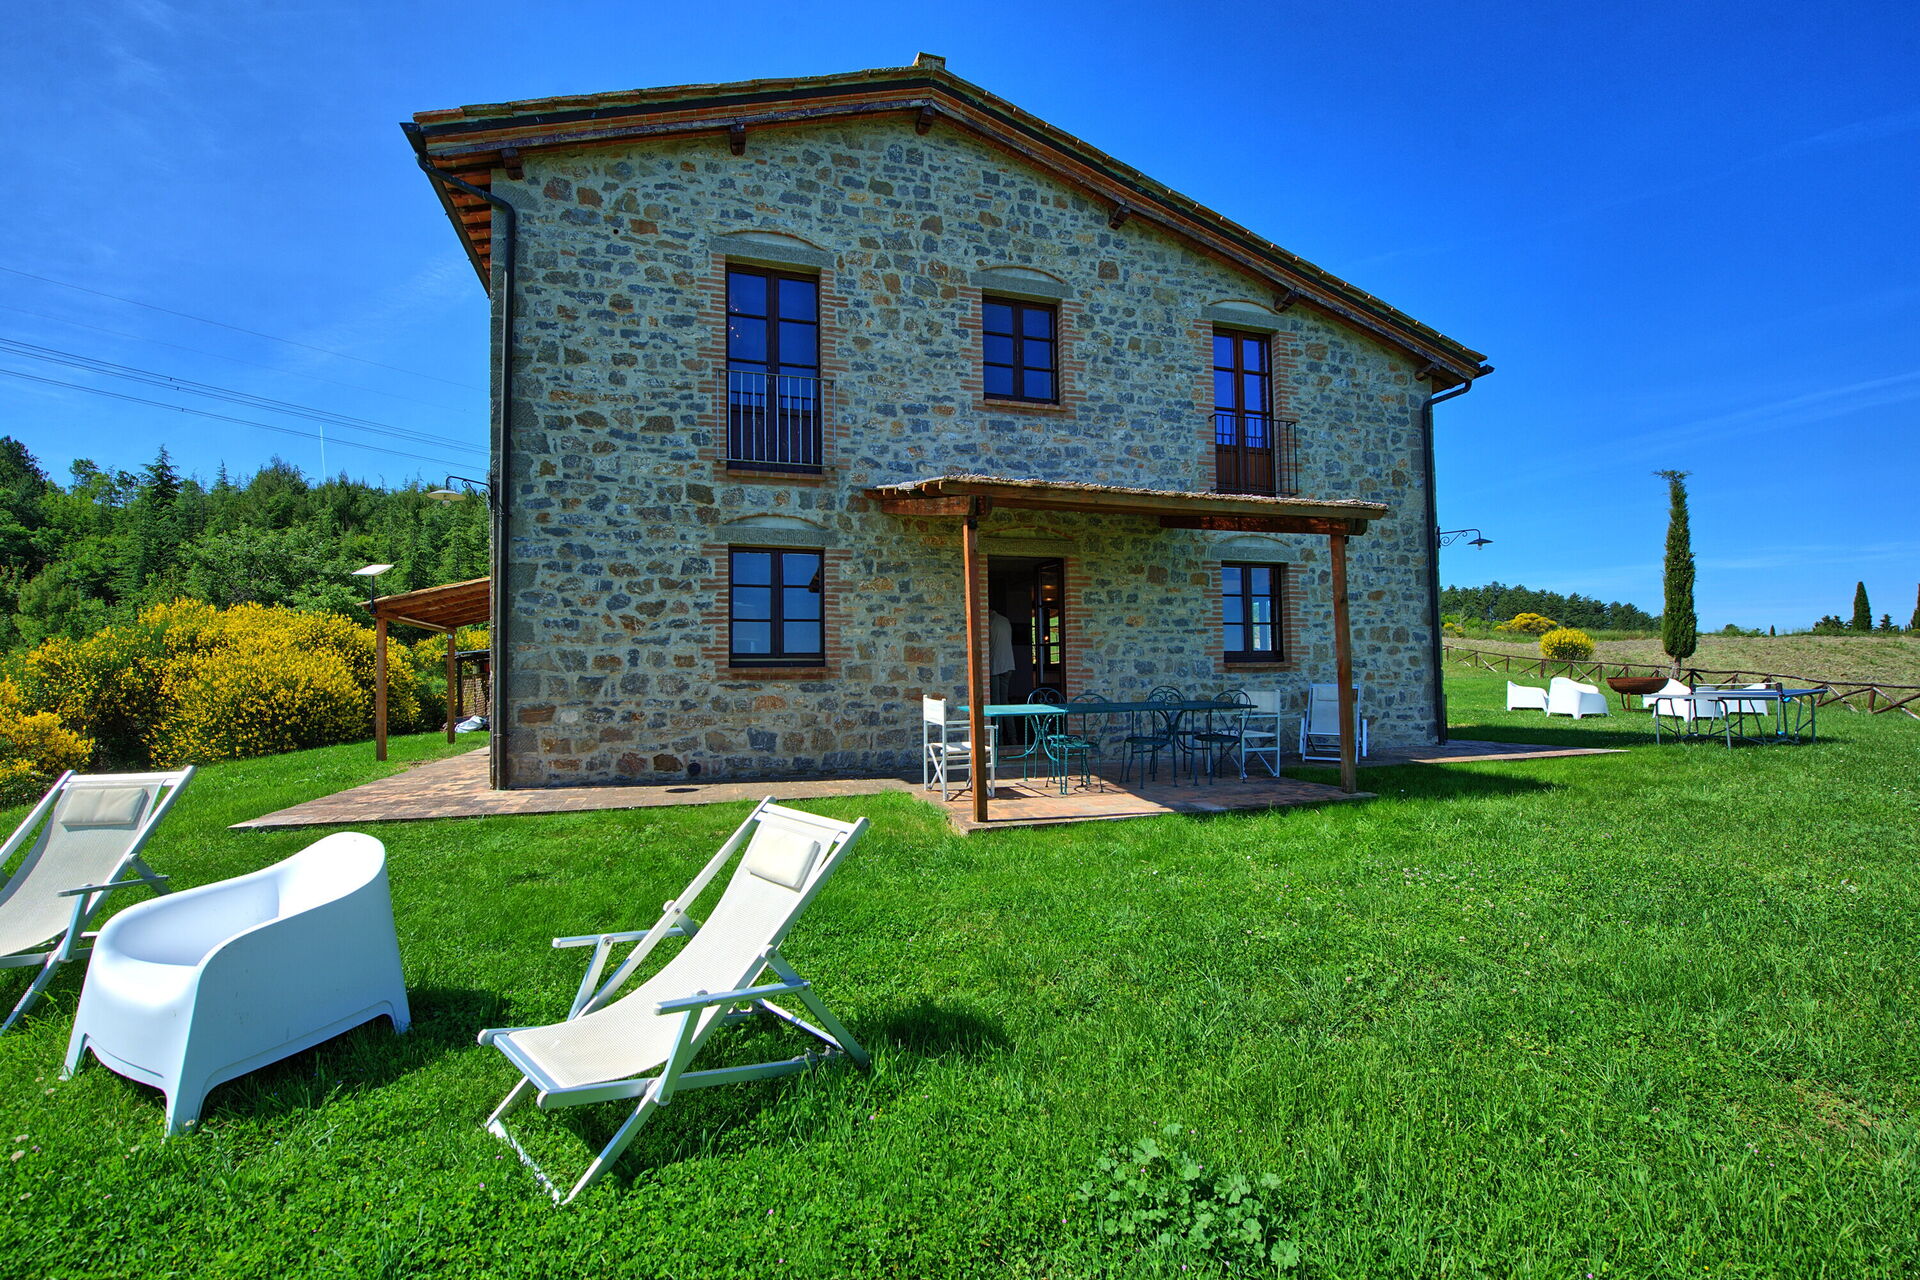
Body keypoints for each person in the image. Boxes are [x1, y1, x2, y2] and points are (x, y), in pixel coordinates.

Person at [989, 606, 1015, 705]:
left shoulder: (990, 622)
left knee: (995, 700)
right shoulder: (1005, 621)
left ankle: (997, 721)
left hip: (995, 664)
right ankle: (1010, 721)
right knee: (1004, 699)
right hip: (1008, 664)